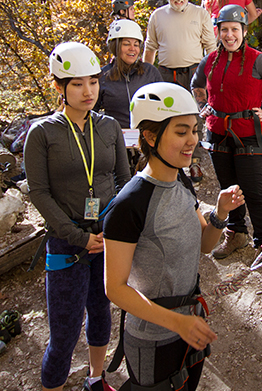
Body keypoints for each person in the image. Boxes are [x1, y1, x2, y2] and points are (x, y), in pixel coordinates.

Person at [103, 82, 245, 391]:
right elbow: (114, 288)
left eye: (194, 130)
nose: (192, 140)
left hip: (189, 324)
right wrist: (175, 322)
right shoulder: (129, 205)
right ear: (151, 136)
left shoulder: (181, 180)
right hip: (154, 338)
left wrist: (220, 213)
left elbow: (204, 246)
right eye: (181, 132)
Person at [24, 42, 132, 391]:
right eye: (77, 83)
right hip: (66, 243)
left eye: (94, 81)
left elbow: (123, 181)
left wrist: (117, 228)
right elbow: (39, 193)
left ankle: (96, 379)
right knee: (64, 332)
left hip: (106, 238)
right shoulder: (42, 133)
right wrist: (78, 237)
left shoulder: (110, 127)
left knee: (101, 315)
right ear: (58, 86)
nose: (88, 91)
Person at [190, 4, 262, 279]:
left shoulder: (257, 60)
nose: (229, 35)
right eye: (224, 30)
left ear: (244, 31)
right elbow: (196, 84)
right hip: (217, 133)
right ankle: (236, 234)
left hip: (248, 133)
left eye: (234, 29)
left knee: (254, 192)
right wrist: (203, 104)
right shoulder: (210, 60)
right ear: (218, 31)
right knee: (229, 189)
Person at [143, 0, 216, 182]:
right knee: (167, 118)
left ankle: (194, 162)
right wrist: (146, 75)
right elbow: (151, 47)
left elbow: (210, 47)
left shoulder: (200, 14)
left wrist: (212, 75)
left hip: (195, 71)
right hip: (167, 74)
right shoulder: (158, 16)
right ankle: (169, 163)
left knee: (196, 117)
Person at [97, 18, 162, 129]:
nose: (132, 49)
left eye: (136, 45)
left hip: (147, 137)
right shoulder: (103, 76)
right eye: (127, 44)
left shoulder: (150, 72)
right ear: (116, 46)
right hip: (115, 138)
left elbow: (163, 104)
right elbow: (91, 111)